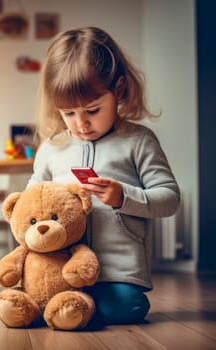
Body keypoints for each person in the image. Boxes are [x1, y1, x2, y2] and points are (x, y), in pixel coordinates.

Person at [27, 27, 180, 326]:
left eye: (93, 110)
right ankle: (68, 306)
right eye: (68, 114)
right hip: (63, 266)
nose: (81, 124)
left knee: (127, 308)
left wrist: (124, 197)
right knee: (44, 292)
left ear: (119, 90)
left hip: (117, 272)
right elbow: (32, 198)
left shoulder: (139, 141)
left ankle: (72, 310)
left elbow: (169, 199)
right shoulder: (52, 148)